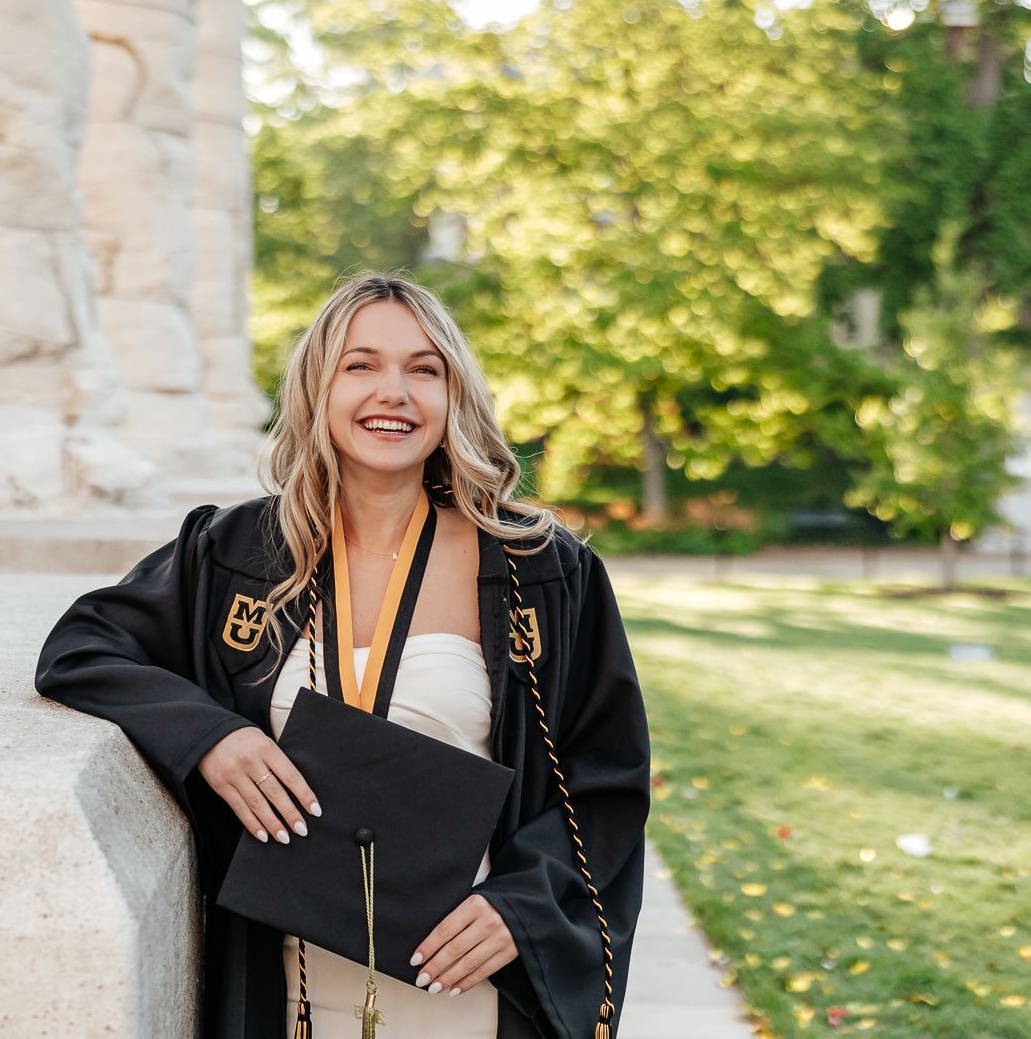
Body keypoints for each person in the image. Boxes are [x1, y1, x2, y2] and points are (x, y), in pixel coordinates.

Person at [34, 271, 650, 1039]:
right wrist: (212, 737)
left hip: (463, 977)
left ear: (454, 397)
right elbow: (83, 646)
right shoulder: (236, 553)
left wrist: (521, 905)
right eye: (361, 365)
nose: (393, 391)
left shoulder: (538, 568)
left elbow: (604, 781)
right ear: (316, 389)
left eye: (424, 369)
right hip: (284, 983)